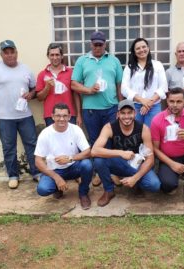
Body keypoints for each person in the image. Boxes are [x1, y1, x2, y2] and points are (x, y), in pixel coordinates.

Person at [0, 40, 40, 189]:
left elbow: (34, 90)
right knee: (9, 147)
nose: (9, 55)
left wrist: (31, 94)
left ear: (16, 52)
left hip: (25, 115)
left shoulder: (26, 69)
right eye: (6, 52)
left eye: (12, 52)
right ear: (1, 54)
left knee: (32, 144)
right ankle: (13, 175)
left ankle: (36, 172)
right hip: (4, 117)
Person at [71, 30, 123, 186]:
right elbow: (74, 84)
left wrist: (120, 107)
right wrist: (89, 90)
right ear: (90, 44)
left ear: (105, 44)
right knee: (95, 142)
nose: (98, 48)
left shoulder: (114, 60)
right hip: (91, 110)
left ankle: (110, 172)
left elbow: (119, 85)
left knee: (110, 141)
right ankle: (100, 173)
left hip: (111, 108)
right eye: (95, 45)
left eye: (100, 45)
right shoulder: (82, 60)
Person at [91, 99, 161, 207]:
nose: (126, 116)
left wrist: (136, 177)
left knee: (154, 184)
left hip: (136, 165)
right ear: (118, 114)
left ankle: (136, 183)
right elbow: (94, 151)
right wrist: (120, 153)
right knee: (99, 160)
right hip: (118, 162)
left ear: (135, 113)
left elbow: (150, 159)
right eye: (123, 113)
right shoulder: (109, 127)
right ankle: (109, 191)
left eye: (129, 113)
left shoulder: (144, 129)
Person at [35, 103, 93, 210]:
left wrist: (70, 158)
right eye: (58, 116)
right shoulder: (45, 133)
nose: (61, 119)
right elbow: (38, 161)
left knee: (87, 165)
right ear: (52, 116)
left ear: (69, 117)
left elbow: (88, 151)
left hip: (73, 166)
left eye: (65, 116)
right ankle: (58, 187)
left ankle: (83, 193)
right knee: (43, 189)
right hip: (55, 170)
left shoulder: (75, 129)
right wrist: (56, 178)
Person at [121, 37, 168, 127]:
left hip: (154, 106)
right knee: (136, 134)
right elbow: (124, 88)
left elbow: (163, 86)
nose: (141, 50)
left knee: (152, 134)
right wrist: (142, 100)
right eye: (138, 48)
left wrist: (149, 103)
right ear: (134, 52)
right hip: (135, 107)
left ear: (148, 48)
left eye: (144, 47)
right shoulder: (129, 67)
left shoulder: (157, 65)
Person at [36, 43, 82, 126]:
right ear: (48, 56)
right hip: (51, 115)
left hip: (69, 114)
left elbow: (76, 94)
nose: (55, 58)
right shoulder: (42, 74)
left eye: (57, 55)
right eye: (52, 55)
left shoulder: (71, 72)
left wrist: (79, 114)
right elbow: (39, 98)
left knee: (70, 139)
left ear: (62, 56)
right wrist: (47, 87)